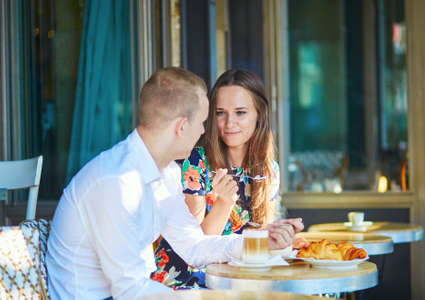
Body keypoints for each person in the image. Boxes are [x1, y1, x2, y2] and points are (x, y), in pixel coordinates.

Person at [46, 67, 303, 300]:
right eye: (203, 122)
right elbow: (130, 290)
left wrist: (260, 241)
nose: (205, 131)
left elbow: (194, 246)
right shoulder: (116, 181)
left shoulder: (165, 173)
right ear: (181, 126)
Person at [153, 69, 308, 288]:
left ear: (259, 115)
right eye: (220, 113)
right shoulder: (194, 163)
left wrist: (277, 234)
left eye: (240, 112)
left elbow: (254, 240)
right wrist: (224, 204)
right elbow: (196, 249)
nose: (229, 123)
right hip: (186, 282)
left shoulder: (269, 170)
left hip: (236, 280)